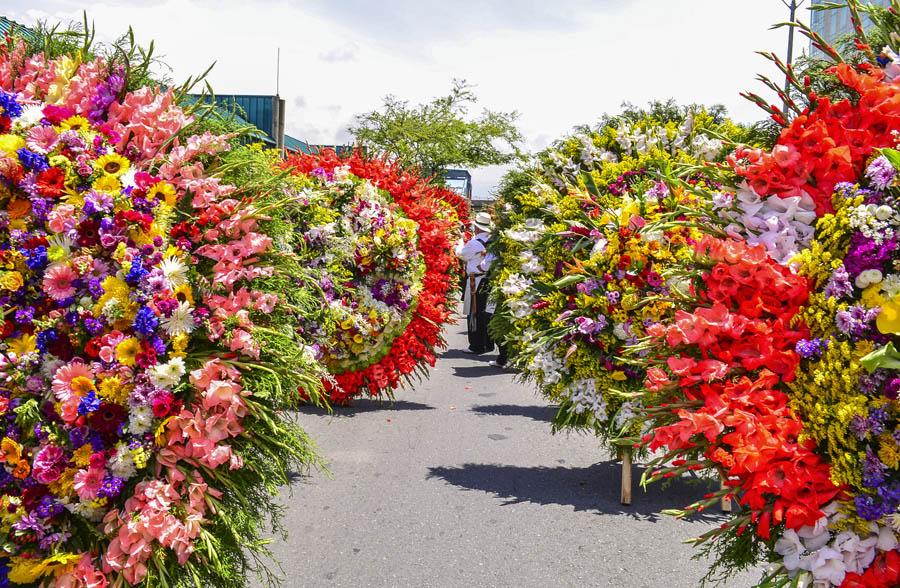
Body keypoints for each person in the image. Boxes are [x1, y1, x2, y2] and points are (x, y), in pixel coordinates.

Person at [455, 212, 495, 354]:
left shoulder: (473, 243)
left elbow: (460, 254)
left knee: (475, 312)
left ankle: (477, 345)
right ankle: (488, 344)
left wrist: (460, 241)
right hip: (488, 278)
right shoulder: (492, 241)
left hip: (475, 280)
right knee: (487, 312)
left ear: (477, 228)